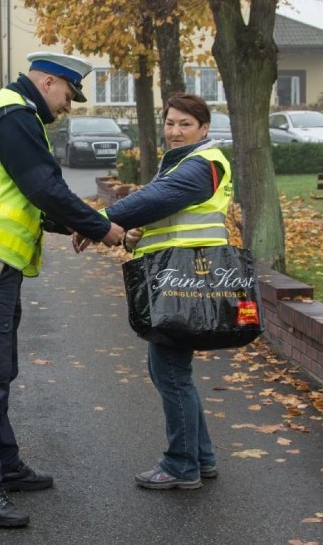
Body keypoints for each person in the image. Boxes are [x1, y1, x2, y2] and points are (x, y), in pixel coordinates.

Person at [0, 51, 124, 528]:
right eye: (67, 94)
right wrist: (102, 229)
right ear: (46, 81)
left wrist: (81, 224)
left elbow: (25, 198)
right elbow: (43, 186)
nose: (68, 107)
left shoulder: (14, 114)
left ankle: (4, 464)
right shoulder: (12, 113)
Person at [73, 92, 231, 490]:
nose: (175, 131)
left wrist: (99, 221)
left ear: (204, 129)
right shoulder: (181, 162)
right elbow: (165, 213)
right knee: (174, 371)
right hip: (179, 278)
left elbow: (156, 199)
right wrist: (132, 236)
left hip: (188, 282)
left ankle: (181, 465)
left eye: (185, 124)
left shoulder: (203, 164)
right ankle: (202, 457)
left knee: (169, 370)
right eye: (170, 123)